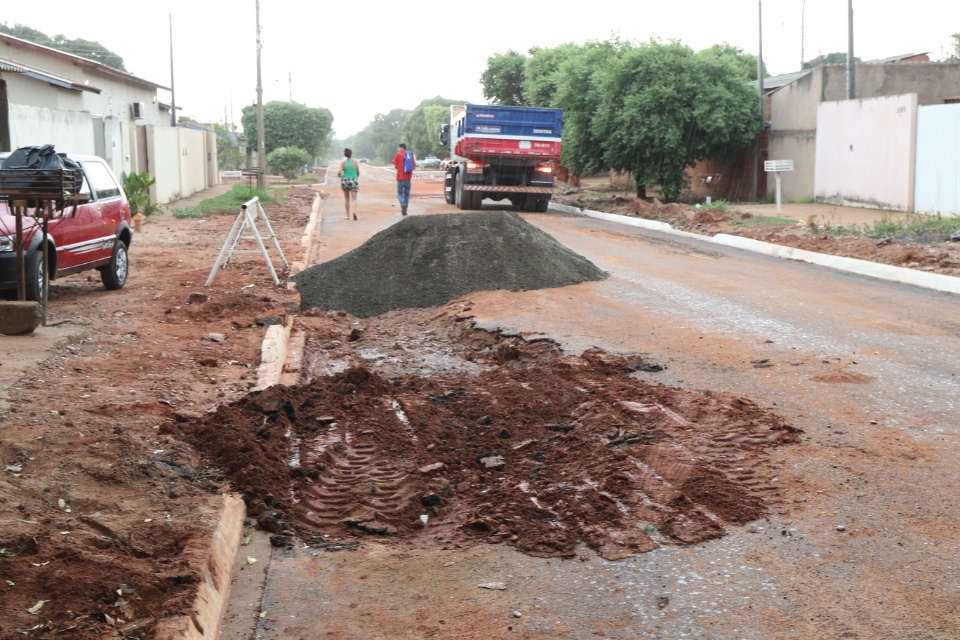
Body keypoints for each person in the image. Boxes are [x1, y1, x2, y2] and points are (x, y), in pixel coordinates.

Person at [392, 143, 416, 215]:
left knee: (399, 193)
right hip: (408, 179)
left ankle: (402, 204)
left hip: (400, 178)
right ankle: (405, 209)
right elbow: (414, 166)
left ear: (402, 148)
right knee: (406, 194)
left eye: (399, 148)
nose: (398, 150)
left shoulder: (398, 155)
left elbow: (395, 166)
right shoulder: (410, 155)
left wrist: (399, 168)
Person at [338, 148, 360, 220]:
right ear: (351, 154)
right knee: (354, 199)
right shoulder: (355, 162)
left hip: (345, 180)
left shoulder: (343, 163)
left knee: (347, 199)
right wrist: (355, 177)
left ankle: (347, 215)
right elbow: (358, 172)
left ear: (345, 154)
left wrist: (340, 176)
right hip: (353, 180)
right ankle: (354, 212)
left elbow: (339, 172)